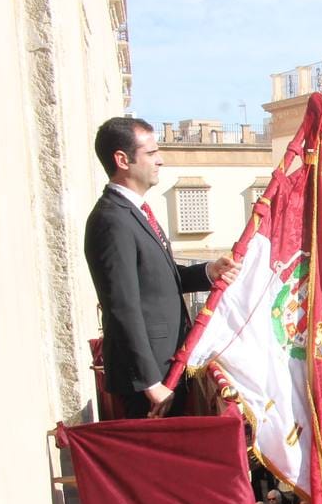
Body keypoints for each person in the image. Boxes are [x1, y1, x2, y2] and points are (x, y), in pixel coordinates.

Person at [84, 117, 239, 418]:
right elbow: (121, 307)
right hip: (149, 382)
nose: (161, 160)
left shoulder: (136, 212)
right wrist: (150, 382)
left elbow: (160, 280)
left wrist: (209, 272)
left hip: (167, 367)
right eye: (151, 153)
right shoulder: (111, 220)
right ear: (122, 159)